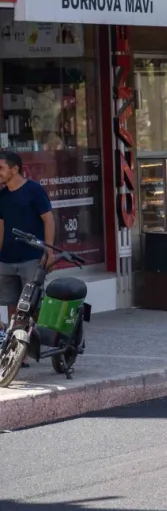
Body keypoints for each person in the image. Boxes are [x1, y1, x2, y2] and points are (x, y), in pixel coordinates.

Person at [0, 151, 54, 367]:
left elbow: (48, 220)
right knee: (12, 306)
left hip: (31, 259)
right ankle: (18, 353)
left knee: (33, 306)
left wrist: (49, 251)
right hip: (7, 260)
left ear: (15, 169)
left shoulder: (34, 190)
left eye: (1, 168)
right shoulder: (2, 195)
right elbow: (1, 227)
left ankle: (51, 341)